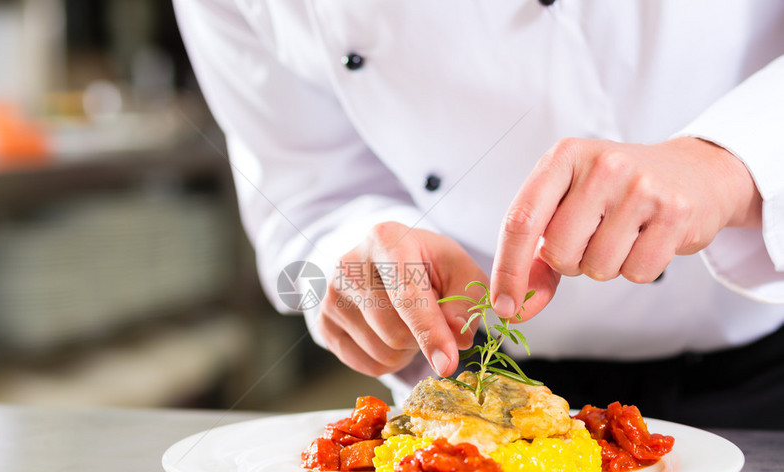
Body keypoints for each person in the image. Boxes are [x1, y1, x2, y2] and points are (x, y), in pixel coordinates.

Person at [174, 0, 784, 428]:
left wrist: (734, 160)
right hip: (473, 397)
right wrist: (352, 256)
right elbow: (307, 197)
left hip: (765, 371)